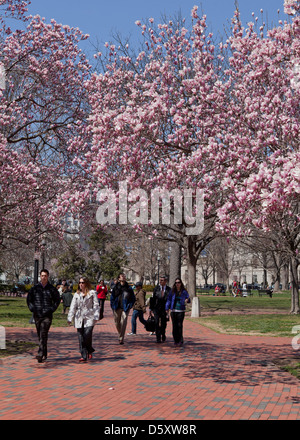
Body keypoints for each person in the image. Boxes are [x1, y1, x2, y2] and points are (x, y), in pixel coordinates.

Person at [26, 269, 61, 363]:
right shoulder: (35, 288)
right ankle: (44, 353)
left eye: (45, 276)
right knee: (40, 335)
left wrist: (51, 309)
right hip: (37, 315)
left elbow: (57, 301)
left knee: (43, 333)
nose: (44, 277)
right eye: (42, 276)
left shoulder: (52, 289)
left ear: (48, 276)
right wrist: (33, 309)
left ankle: (40, 353)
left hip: (47, 316)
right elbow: (29, 300)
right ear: (40, 277)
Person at [67, 276, 100, 362]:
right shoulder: (76, 295)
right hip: (79, 318)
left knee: (87, 334)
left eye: (83, 283)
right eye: (80, 283)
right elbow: (73, 307)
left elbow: (96, 305)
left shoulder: (92, 293)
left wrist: (96, 316)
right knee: (81, 337)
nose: (81, 284)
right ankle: (84, 355)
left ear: (86, 284)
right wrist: (70, 317)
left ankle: (89, 349)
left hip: (89, 317)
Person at [110, 273, 135, 344]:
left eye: (124, 276)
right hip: (116, 307)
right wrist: (112, 306)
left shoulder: (129, 288)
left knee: (123, 322)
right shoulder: (115, 287)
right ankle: (120, 334)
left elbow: (133, 298)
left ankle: (121, 338)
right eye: (122, 276)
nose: (123, 277)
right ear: (119, 279)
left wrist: (130, 305)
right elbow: (112, 297)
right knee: (117, 323)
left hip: (125, 308)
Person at [165, 278, 190, 346]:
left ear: (181, 283)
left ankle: (180, 340)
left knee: (179, 325)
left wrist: (187, 300)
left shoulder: (184, 291)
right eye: (176, 283)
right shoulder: (172, 291)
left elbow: (188, 298)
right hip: (173, 311)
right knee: (174, 326)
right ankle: (175, 340)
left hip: (181, 311)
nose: (177, 284)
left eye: (178, 282)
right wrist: (167, 308)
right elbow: (169, 300)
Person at [149, 276, 171, 343]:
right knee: (156, 322)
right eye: (160, 280)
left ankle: (163, 334)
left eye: (163, 280)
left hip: (164, 309)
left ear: (165, 281)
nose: (161, 282)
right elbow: (153, 299)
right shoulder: (156, 288)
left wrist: (168, 308)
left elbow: (170, 299)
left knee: (164, 323)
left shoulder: (169, 289)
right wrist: (150, 309)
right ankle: (158, 338)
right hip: (156, 308)